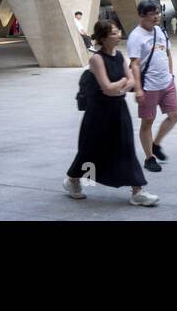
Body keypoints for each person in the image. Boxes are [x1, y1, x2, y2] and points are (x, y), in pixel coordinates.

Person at [63, 20, 158, 206]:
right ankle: (73, 180)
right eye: (114, 33)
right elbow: (107, 87)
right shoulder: (96, 59)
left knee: (126, 147)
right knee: (90, 150)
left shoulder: (120, 55)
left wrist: (120, 86)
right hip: (98, 113)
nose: (118, 34)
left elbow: (130, 81)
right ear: (104, 38)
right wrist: (123, 82)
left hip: (118, 109)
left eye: (117, 31)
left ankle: (137, 191)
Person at [127, 0, 177, 176]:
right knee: (147, 122)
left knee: (175, 115)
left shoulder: (160, 31)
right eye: (152, 14)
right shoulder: (136, 36)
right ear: (142, 16)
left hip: (167, 82)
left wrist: (171, 75)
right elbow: (134, 64)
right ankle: (149, 158)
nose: (156, 17)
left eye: (157, 13)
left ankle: (156, 144)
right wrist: (139, 88)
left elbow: (167, 53)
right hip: (149, 86)